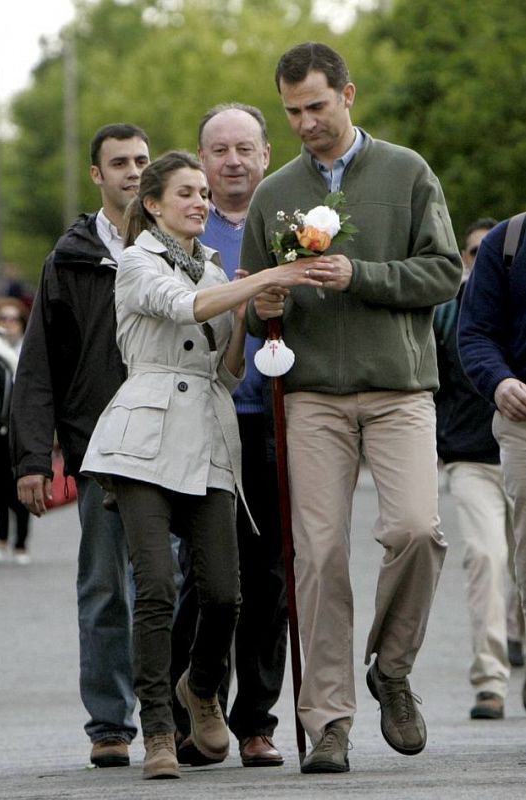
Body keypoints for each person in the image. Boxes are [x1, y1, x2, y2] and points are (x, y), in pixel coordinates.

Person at [241, 41, 463, 773]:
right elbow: (250, 300)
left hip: (398, 387)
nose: (305, 122)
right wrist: (263, 300)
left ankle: (390, 668)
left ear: (347, 95)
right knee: (319, 553)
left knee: (415, 531)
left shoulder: (406, 172)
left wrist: (359, 273)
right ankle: (328, 720)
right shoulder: (274, 192)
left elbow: (441, 273)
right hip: (309, 397)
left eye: (315, 106)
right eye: (292, 111)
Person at [80, 150, 324, 781]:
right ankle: (160, 730)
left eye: (203, 194)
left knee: (224, 592)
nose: (200, 202)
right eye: (185, 193)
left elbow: (228, 367)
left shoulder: (215, 266)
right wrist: (272, 278)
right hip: (143, 439)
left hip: (210, 436)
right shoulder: (136, 262)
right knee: (157, 587)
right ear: (154, 205)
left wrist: (255, 314)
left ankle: (203, 687)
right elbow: (185, 308)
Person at [9, 123, 151, 767]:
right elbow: (37, 368)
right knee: (105, 589)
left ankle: (176, 713)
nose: (132, 171)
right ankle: (110, 726)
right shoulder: (68, 257)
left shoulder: (178, 243)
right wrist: (33, 459)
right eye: (118, 162)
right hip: (99, 450)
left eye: (142, 160)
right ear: (96, 175)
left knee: (180, 587)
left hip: (178, 444)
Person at [168, 103, 287, 769]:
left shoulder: (293, 220)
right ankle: (194, 705)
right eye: (219, 149)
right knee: (205, 575)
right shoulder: (181, 226)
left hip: (279, 419)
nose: (233, 159)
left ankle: (255, 723)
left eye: (245, 147)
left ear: (266, 154)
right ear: (202, 158)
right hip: (203, 422)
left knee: (269, 574)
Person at [434, 217, 523, 719]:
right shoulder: (450, 315)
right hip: (472, 458)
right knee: (487, 560)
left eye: (482, 253)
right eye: (471, 252)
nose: (476, 261)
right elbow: (432, 381)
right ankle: (490, 680)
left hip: (517, 452)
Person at [458, 212, 526, 716]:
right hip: (504, 435)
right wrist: (499, 381)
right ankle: (493, 677)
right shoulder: (509, 243)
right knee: (498, 557)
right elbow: (475, 334)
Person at [0, 297, 32, 563]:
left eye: (13, 319)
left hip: (24, 427)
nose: (8, 324)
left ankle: (21, 542)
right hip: (0, 427)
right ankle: (1, 538)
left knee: (22, 482)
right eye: (3, 318)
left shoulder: (29, 352)